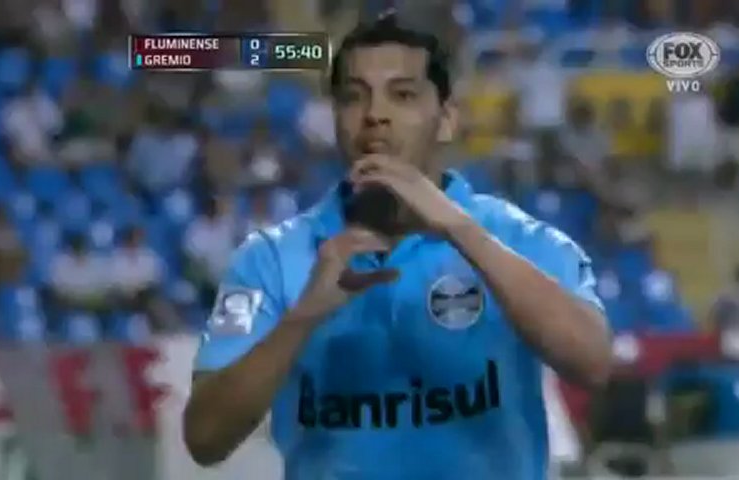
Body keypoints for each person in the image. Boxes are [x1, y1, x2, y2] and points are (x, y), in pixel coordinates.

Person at [183, 13, 612, 479]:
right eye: (354, 97)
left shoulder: (517, 238)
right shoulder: (270, 257)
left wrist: (463, 232)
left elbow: (593, 363)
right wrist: (302, 317)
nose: (375, 115)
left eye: (403, 95)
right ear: (336, 119)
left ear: (446, 120)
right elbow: (204, 439)